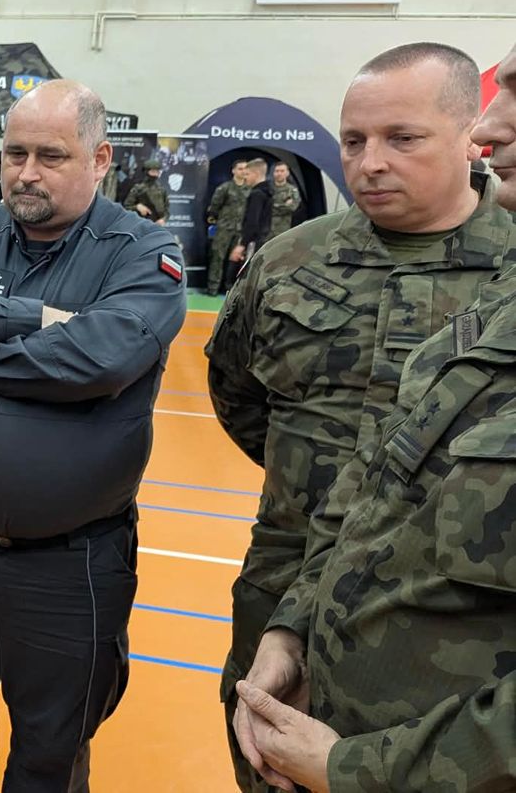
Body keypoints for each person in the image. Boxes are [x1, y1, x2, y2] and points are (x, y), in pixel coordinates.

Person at [205, 41, 515, 793]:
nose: (370, 163)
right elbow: (237, 393)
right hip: (287, 580)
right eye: (353, 141)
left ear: (464, 137)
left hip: (446, 636)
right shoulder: (287, 260)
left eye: (402, 138)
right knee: (267, 764)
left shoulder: (508, 269)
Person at [0, 80, 187, 792]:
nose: (25, 172)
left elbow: (100, 357)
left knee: (50, 755)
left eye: (51, 156)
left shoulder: (141, 251)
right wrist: (38, 318)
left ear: (100, 158)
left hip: (67, 566)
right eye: (14, 153)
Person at [205, 159, 254, 295]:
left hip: (240, 230)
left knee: (235, 260)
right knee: (217, 258)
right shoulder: (225, 188)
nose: (243, 171)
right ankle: (213, 288)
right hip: (224, 228)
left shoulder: (249, 190)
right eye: (240, 168)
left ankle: (230, 288)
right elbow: (214, 207)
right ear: (233, 171)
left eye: (245, 168)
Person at [122, 157, 169, 225]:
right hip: (140, 224)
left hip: (157, 226)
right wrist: (137, 207)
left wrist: (163, 219)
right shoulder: (138, 188)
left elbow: (166, 209)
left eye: (157, 172)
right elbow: (126, 206)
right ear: (146, 172)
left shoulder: (161, 189)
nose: (155, 174)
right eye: (153, 171)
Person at [264, 162, 301, 245]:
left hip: (283, 231)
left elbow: (292, 207)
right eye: (277, 171)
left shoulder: (292, 190)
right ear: (273, 173)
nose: (279, 173)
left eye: (282, 171)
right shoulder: (267, 189)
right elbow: (263, 208)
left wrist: (273, 206)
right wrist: (284, 205)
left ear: (287, 173)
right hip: (266, 231)